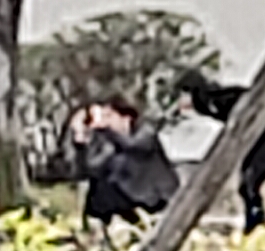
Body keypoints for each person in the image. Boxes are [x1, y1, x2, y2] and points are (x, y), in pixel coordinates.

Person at [173, 66, 265, 232]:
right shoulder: (210, 103)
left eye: (183, 95)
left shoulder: (218, 99)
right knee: (247, 182)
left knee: (251, 179)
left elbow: (247, 107)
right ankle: (255, 220)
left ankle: (256, 222)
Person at [52, 96, 180, 229]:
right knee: (100, 188)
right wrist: (81, 142)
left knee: (115, 175)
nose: (106, 121)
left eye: (109, 116)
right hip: (133, 199)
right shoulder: (108, 142)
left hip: (160, 197)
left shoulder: (145, 129)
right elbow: (92, 169)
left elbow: (136, 146)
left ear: (126, 116)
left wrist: (108, 131)